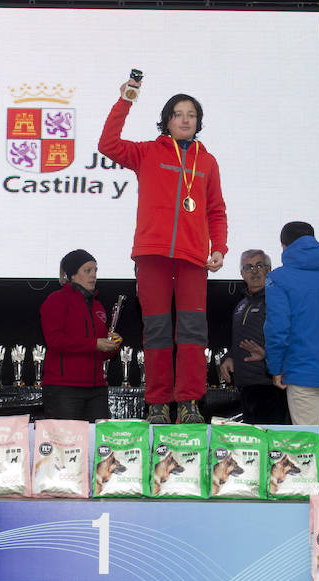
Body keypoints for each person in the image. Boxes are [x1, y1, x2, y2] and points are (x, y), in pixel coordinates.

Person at [98, 77, 228, 424]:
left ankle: (188, 402)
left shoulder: (208, 162)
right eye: (177, 114)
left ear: (198, 122)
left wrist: (220, 248)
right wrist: (125, 101)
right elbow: (108, 144)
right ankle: (157, 403)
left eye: (191, 115)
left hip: (193, 259)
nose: (185, 120)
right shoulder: (147, 152)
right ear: (166, 121)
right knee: (156, 330)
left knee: (192, 333)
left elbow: (215, 210)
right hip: (152, 255)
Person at [262, 222, 319, 425]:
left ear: (284, 246)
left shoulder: (278, 278)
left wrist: (275, 368)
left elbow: (277, 328)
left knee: (308, 446)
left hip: (302, 372)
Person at [40, 250, 121, 421]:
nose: (93, 275)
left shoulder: (98, 306)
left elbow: (101, 352)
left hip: (97, 389)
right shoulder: (56, 300)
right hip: (64, 389)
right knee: (65, 444)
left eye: (95, 270)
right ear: (73, 275)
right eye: (87, 270)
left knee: (99, 445)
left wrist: (111, 346)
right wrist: (94, 344)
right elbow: (54, 340)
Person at [218, 250, 288, 424]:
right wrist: (230, 357)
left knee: (272, 445)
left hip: (271, 386)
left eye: (259, 265)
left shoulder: (278, 300)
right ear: (241, 274)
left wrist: (267, 356)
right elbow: (239, 340)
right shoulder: (241, 305)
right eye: (248, 267)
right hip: (246, 388)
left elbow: (290, 339)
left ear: (269, 270)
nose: (254, 271)